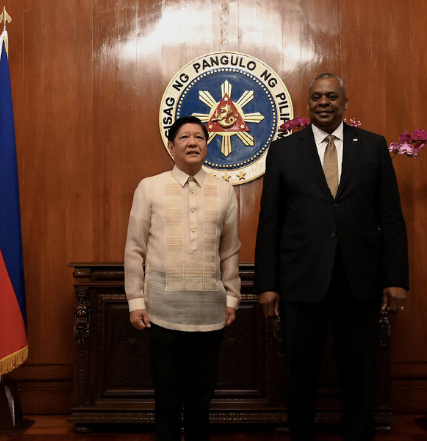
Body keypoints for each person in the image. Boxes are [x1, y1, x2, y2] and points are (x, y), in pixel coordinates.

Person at [254, 73, 409, 441]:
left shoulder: (371, 146)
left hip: (359, 280)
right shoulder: (284, 150)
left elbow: (391, 217)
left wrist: (396, 278)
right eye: (317, 97)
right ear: (308, 103)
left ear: (344, 103)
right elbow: (270, 222)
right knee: (299, 372)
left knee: (359, 371)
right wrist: (267, 285)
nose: (324, 102)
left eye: (332, 97)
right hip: (300, 279)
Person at [124, 116, 241, 441]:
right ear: (171, 146)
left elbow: (230, 250)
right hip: (161, 312)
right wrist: (135, 301)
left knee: (202, 396)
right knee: (167, 396)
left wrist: (232, 297)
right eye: (185, 137)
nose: (193, 143)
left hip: (210, 313)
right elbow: (134, 248)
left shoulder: (224, 190)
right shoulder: (149, 187)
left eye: (199, 137)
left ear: (207, 145)